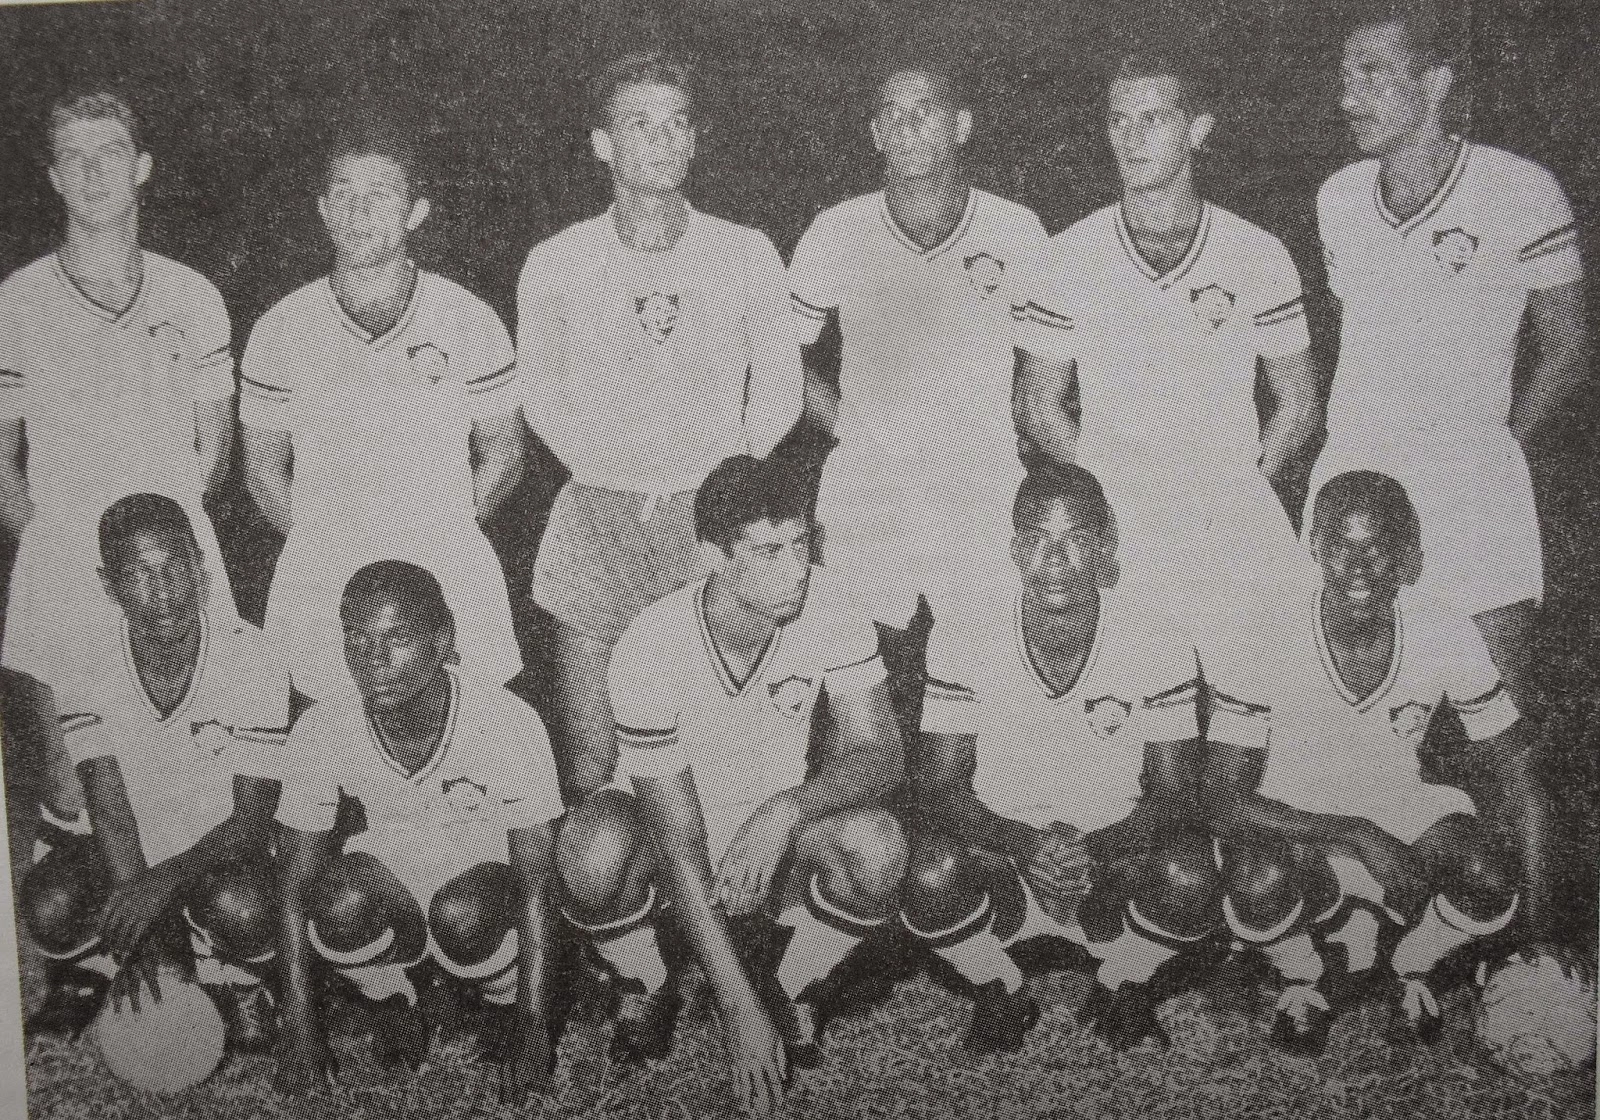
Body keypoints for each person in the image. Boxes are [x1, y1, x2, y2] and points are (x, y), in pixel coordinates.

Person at [556, 454, 903, 1117]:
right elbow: (679, 841)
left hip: (774, 836)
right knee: (588, 847)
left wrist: (786, 807)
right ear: (713, 554)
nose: (795, 568)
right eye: (768, 551)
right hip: (668, 844)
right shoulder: (651, 646)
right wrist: (736, 1014)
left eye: (801, 542)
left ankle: (788, 985)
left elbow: (880, 752)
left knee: (879, 843)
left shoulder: (831, 604)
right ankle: (648, 979)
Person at [517, 51, 802, 802]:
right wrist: (619, 469)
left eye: (677, 124)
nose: (662, 140)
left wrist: (725, 478)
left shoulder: (745, 250)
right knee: (592, 754)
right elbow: (542, 396)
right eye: (640, 124)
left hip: (708, 521)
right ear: (602, 144)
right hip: (597, 519)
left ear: (695, 140)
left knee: (713, 746)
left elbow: (780, 389)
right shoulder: (557, 261)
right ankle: (617, 916)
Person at [1202, 471, 1560, 1051]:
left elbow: (1521, 776)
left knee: (1489, 874)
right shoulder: (1262, 630)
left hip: (1398, 805)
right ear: (1316, 546)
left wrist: (1538, 939)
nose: (1361, 565)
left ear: (1409, 558)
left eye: (1379, 548)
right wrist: (1356, 833)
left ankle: (1411, 961)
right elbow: (1224, 800)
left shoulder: (1445, 629)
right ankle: (1302, 975)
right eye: (1344, 545)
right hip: (1294, 813)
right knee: (1258, 878)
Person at [1309, 2, 1588, 705]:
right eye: (1345, 78)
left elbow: (1568, 344)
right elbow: (1361, 327)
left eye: (1373, 76)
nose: (1349, 98)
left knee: (1504, 717)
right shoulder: (1337, 198)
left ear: (1436, 81)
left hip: (1470, 482)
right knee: (1331, 718)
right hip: (1355, 474)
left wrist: (1496, 447)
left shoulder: (1522, 190)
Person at [902, 464, 1219, 1053]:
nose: (1057, 557)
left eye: (1075, 538)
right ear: (1018, 551)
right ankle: (997, 982)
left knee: (1192, 873)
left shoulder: (1159, 638)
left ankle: (1123, 977)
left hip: (1113, 852)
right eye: (1041, 540)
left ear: (1104, 547)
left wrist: (1093, 851)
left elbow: (1174, 796)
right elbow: (940, 787)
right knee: (927, 873)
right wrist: (1027, 845)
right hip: (1003, 850)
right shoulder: (965, 633)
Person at [1014, 53, 1321, 638]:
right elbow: (1038, 403)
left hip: (1232, 516)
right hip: (1122, 522)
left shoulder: (1256, 252)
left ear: (1198, 129)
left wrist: (1243, 485)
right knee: (1144, 706)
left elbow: (1299, 401)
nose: (1129, 137)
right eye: (1118, 120)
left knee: (1274, 702)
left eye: (1151, 119)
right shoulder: (1067, 256)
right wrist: (1107, 492)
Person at [0, 90, 241, 826]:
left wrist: (164, 557)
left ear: (141, 167)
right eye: (74, 159)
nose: (93, 172)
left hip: (176, 579)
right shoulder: (16, 304)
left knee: (201, 794)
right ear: (53, 178)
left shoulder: (193, 296)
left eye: (109, 154)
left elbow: (214, 458)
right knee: (75, 804)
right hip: (67, 581)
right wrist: (58, 552)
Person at [241, 119, 526, 701]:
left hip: (445, 564)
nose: (358, 211)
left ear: (415, 211)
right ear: (322, 208)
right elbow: (264, 472)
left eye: (380, 195)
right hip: (324, 572)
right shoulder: (280, 329)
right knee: (328, 743)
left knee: (467, 745)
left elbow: (503, 454)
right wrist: (326, 540)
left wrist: (439, 528)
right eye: (343, 194)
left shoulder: (469, 318)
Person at [274, 561, 564, 1103]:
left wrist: (533, 1021)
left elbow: (537, 884)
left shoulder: (507, 720)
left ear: (442, 639)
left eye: (396, 638)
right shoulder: (322, 728)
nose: (374, 661)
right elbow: (293, 889)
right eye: (357, 640)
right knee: (335, 900)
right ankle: (391, 998)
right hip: (396, 877)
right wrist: (299, 1026)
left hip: (480, 880)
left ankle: (499, 1002)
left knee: (463, 913)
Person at [788, 62, 1049, 640]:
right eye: (893, 117)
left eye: (924, 112)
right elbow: (785, 356)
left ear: (960, 124)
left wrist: (1005, 436)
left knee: (986, 668)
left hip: (982, 483)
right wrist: (851, 429)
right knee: (856, 671)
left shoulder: (1017, 229)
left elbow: (1045, 371)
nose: (908, 128)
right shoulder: (836, 230)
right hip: (870, 487)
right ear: (877, 135)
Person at [18, 494, 287, 1053]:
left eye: (173, 567)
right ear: (109, 585)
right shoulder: (85, 662)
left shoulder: (253, 657)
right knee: (48, 902)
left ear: (199, 566)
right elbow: (109, 806)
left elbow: (252, 819)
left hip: (221, 852)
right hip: (130, 849)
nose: (162, 590)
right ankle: (95, 971)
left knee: (245, 909)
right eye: (137, 574)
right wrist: (150, 938)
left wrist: (159, 888)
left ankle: (240, 982)